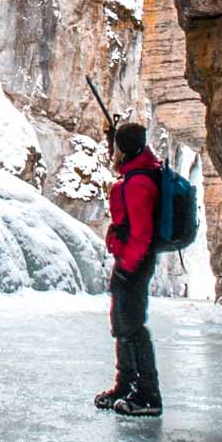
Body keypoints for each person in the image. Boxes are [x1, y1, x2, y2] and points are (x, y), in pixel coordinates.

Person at [93, 122, 164, 417]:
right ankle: (125, 386)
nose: (113, 152)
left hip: (133, 264)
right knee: (123, 326)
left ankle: (148, 394)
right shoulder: (141, 173)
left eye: (116, 147)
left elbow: (141, 234)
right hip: (130, 262)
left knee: (132, 328)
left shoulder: (137, 183)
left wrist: (127, 267)